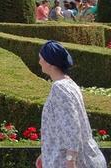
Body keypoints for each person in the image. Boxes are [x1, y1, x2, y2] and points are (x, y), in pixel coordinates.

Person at [36, 40, 106, 168]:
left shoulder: (59, 87)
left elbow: (72, 126)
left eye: (41, 58)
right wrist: (44, 154)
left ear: (50, 62)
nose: (39, 62)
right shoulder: (69, 83)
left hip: (65, 162)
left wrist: (70, 161)